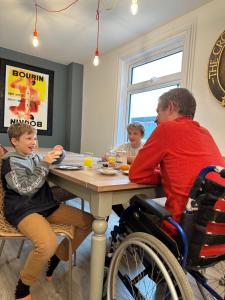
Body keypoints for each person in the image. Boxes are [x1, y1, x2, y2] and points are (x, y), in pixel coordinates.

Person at [1, 123, 94, 300]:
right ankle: (23, 286)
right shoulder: (10, 162)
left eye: (35, 138)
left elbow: (52, 161)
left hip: (45, 205)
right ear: (14, 141)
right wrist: (44, 164)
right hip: (22, 209)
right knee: (47, 244)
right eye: (28, 138)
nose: (33, 142)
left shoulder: (33, 156)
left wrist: (59, 153)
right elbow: (26, 189)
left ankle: (58, 257)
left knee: (89, 221)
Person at [129, 87, 225, 235]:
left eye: (158, 112)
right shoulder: (205, 133)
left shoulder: (166, 129)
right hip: (216, 233)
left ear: (171, 107)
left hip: (183, 229)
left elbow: (136, 174)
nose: (156, 119)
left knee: (130, 212)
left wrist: (162, 176)